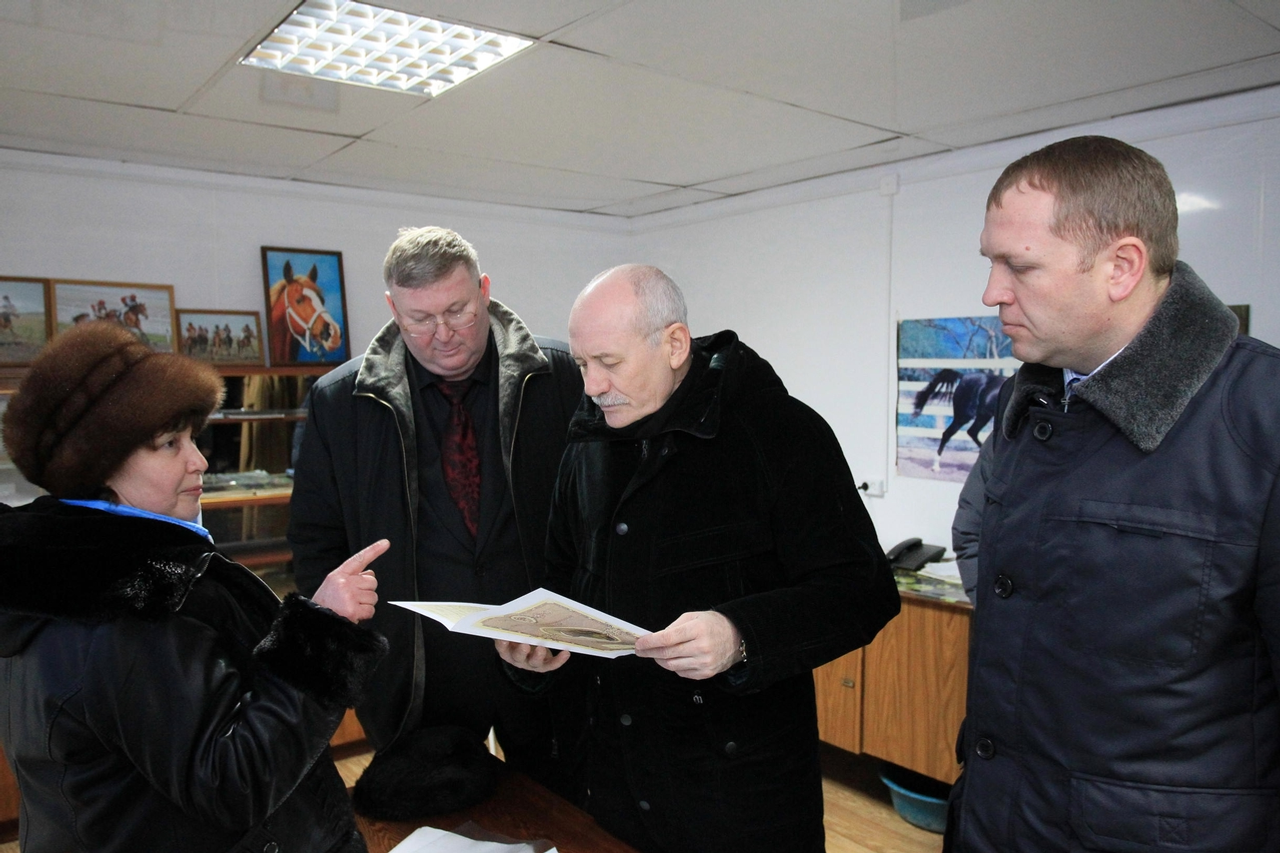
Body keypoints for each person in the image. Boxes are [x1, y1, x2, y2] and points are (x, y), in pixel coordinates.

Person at [947, 135, 1280, 851]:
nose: (991, 292)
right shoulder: (1030, 402)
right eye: (990, 263)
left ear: (1122, 267)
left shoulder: (1262, 418)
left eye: (1019, 266)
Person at [498, 265, 900, 853]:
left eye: (609, 362)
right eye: (582, 364)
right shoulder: (585, 445)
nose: (592, 385)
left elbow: (863, 590)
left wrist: (740, 635)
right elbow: (561, 581)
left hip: (737, 799)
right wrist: (537, 646)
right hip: (609, 783)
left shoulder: (780, 433)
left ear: (674, 344)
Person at [0, 321, 389, 853]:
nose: (200, 461)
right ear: (100, 463)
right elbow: (233, 782)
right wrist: (322, 635)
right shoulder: (128, 607)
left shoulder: (68, 571)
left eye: (191, 438)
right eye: (169, 444)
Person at [289, 226, 585, 811]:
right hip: (415, 667)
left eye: (458, 311)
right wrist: (353, 644)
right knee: (435, 824)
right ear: (392, 308)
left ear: (485, 290)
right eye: (420, 319)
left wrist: (576, 616)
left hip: (545, 652)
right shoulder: (339, 401)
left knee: (564, 813)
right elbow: (317, 540)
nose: (443, 334)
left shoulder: (561, 377)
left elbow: (596, 514)